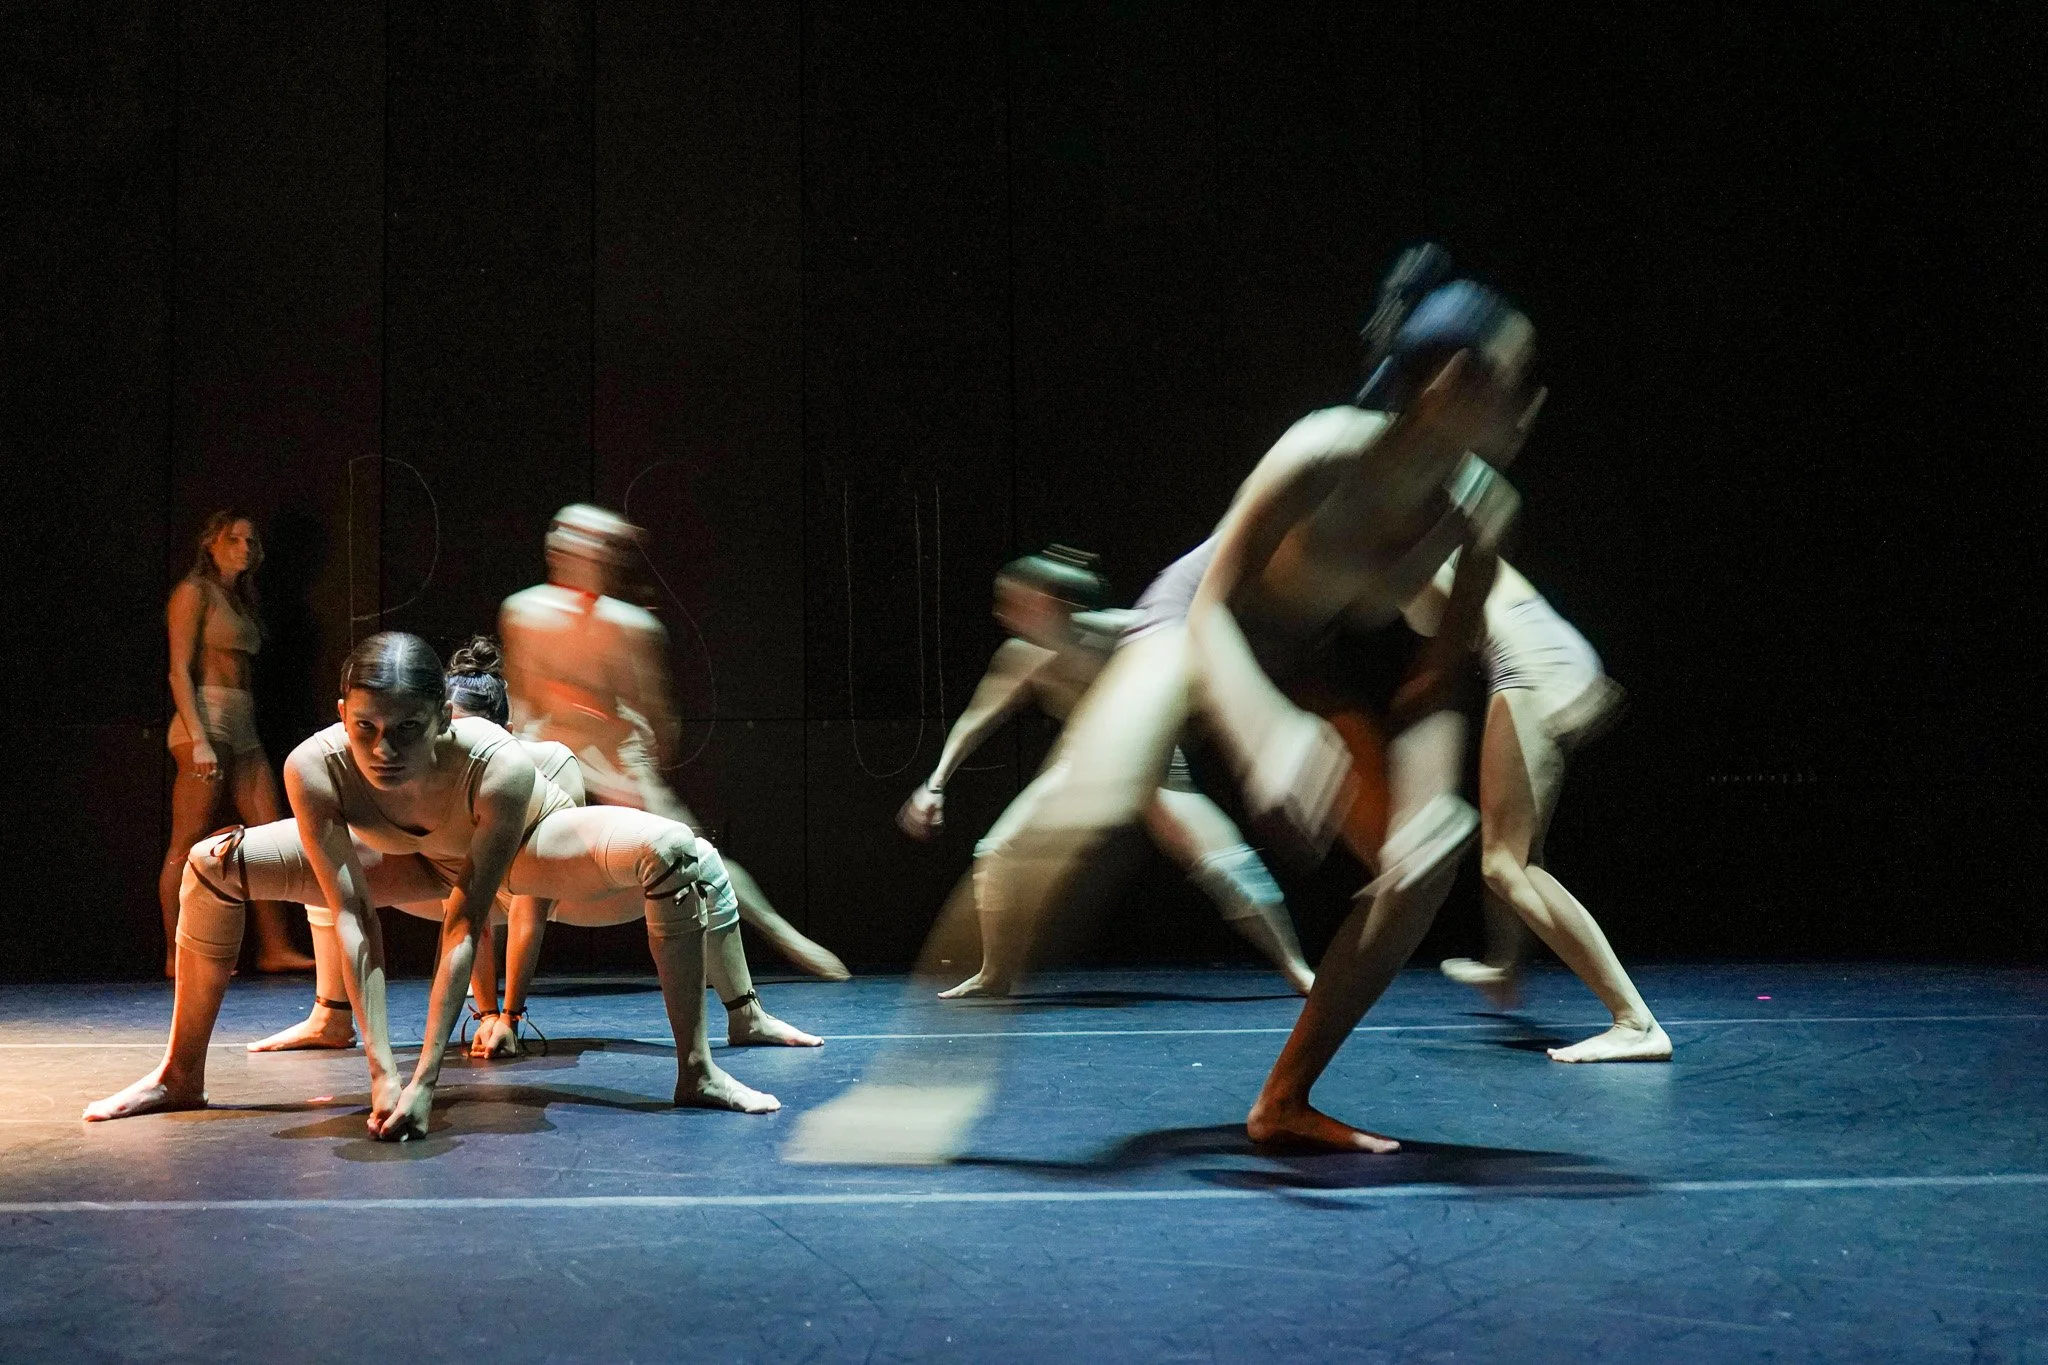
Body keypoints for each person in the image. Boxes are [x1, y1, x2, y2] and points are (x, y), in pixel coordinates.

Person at [950, 250, 1544, 1152]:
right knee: (1085, 803)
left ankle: (1285, 1099)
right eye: (1513, 381)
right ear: (1455, 381)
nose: (1528, 405)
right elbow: (1214, 600)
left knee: (1418, 871)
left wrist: (1428, 800)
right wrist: (1263, 728)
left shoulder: (1478, 513)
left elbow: (1435, 677)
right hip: (1189, 622)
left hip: (1292, 656)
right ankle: (929, 1078)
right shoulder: (1323, 449)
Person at [87, 631, 783, 1138]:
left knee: (672, 848)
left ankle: (698, 1069)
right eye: (366, 728)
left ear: (445, 717)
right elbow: (352, 910)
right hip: (405, 862)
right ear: (341, 712)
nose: (384, 749)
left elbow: (466, 923)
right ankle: (181, 1073)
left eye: (406, 731)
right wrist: (381, 1075)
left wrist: (426, 1079)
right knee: (212, 865)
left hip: (525, 857)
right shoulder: (314, 766)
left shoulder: (502, 766)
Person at [899, 547, 1314, 996]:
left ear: (1052, 604)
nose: (1005, 613)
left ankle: (1297, 968)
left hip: (1152, 759)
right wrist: (935, 782)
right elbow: (977, 719)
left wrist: (1257, 742)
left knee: (1222, 862)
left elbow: (1201, 671)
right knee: (997, 853)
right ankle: (995, 975)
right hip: (1082, 761)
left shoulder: (1126, 633)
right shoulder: (1022, 657)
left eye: (1017, 601)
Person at [501, 506, 845, 1044]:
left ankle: (776, 933)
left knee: (694, 852)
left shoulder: (630, 626)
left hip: (617, 754)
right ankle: (505, 1009)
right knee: (520, 861)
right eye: (569, 538)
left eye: (594, 543)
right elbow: (522, 699)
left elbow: (651, 712)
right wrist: (524, 756)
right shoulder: (522, 612)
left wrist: (637, 776)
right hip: (552, 751)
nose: (578, 550)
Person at [1406, 559, 1670, 1062]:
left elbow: (1450, 644)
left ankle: (1635, 1023)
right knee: (1518, 850)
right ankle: (1506, 965)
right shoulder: (1427, 518)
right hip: (1543, 648)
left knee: (1504, 862)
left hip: (1525, 660)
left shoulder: (1398, 535)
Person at [160, 511, 314, 978]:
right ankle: (175, 955)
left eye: (251, 540)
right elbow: (178, 670)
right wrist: (200, 740)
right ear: (211, 542)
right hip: (204, 721)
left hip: (242, 725)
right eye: (235, 538)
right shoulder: (194, 592)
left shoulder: (240, 597)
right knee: (185, 841)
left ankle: (274, 947)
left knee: (271, 836)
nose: (245, 547)